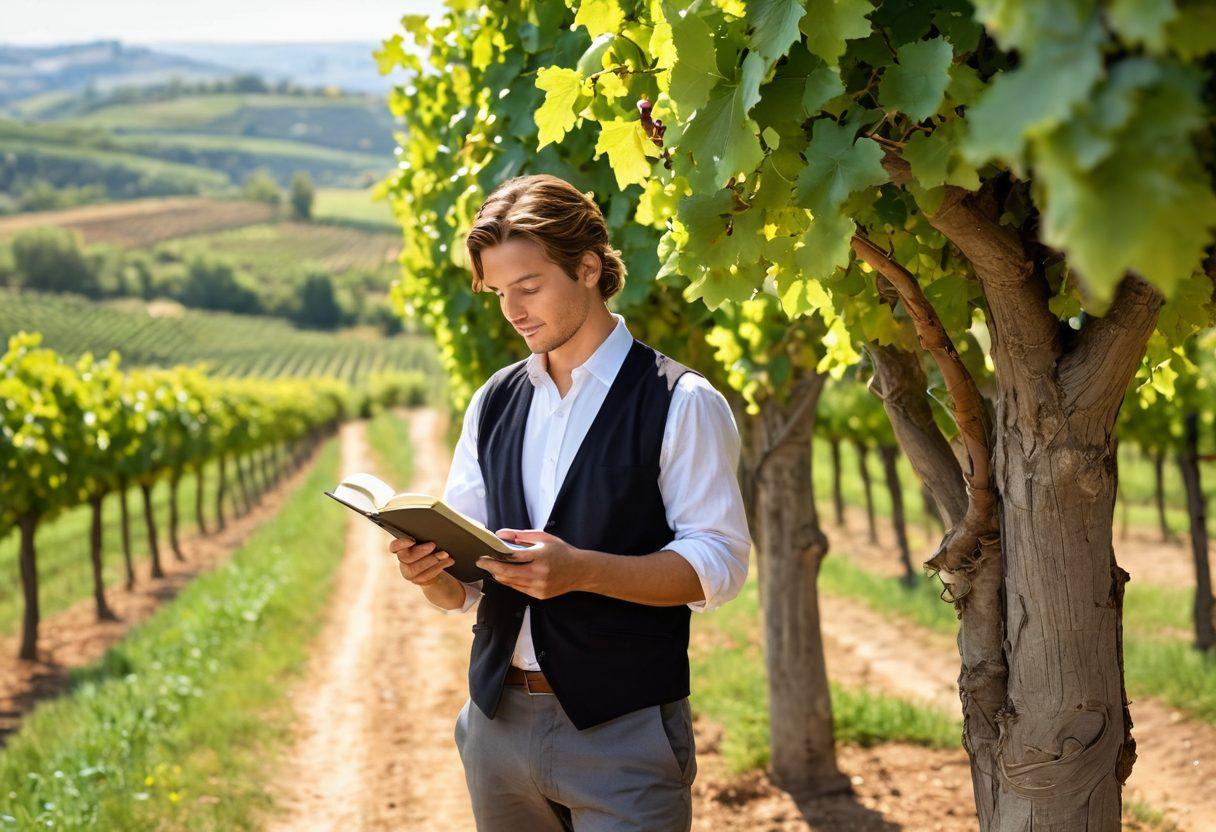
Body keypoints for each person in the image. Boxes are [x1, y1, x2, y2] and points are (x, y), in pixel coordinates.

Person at [387, 173, 752, 831]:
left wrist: (583, 570)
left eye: (528, 287)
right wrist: (433, 578)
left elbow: (719, 565)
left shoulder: (682, 401)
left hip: (625, 731)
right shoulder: (493, 401)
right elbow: (463, 587)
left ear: (588, 268)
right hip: (497, 730)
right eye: (500, 293)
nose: (514, 310)